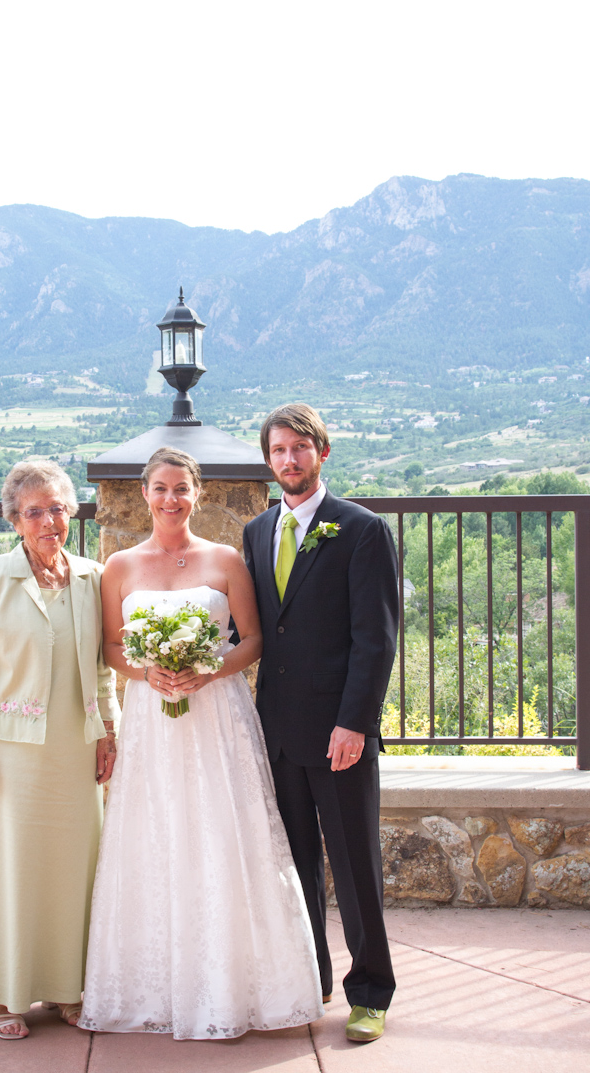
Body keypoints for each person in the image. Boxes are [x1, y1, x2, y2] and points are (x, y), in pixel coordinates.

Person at [79, 446, 324, 1041]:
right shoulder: (119, 566)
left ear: (198, 495)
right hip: (152, 719)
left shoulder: (226, 560)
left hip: (218, 718)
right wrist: (148, 672)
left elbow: (254, 640)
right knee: (155, 834)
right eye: (161, 489)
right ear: (145, 494)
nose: (171, 499)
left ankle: (234, 987)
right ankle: (158, 988)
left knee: (223, 832)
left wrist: (209, 669)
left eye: (181, 489)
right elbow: (111, 646)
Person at [0, 460, 120, 1040]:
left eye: (58, 509)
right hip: (10, 750)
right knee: (11, 871)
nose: (49, 521)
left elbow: (102, 669)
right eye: (35, 511)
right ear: (15, 521)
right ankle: (6, 997)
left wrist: (108, 731)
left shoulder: (93, 577)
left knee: (73, 872)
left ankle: (68, 989)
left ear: (71, 514)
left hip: (75, 746)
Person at [242, 404, 399, 1044]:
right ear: (268, 459)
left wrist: (354, 723)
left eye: (300, 448)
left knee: (356, 866)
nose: (289, 459)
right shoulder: (256, 531)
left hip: (340, 734)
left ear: (322, 453)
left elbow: (375, 639)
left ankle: (371, 993)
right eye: (279, 450)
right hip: (278, 731)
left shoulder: (361, 530)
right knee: (296, 864)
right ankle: (313, 980)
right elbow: (259, 628)